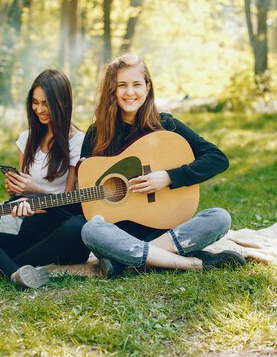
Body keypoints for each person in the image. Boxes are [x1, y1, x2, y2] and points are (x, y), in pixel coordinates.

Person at [79, 53, 245, 279]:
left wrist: (168, 177)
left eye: (137, 84)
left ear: (147, 87)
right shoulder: (96, 134)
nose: (130, 92)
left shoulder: (165, 124)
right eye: (122, 85)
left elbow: (217, 158)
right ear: (112, 90)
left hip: (167, 229)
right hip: (120, 234)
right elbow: (86, 190)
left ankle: (133, 259)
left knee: (220, 217)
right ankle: (190, 263)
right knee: (90, 230)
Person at [0, 69, 90, 289]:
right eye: (35, 103)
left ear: (62, 103)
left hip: (62, 233)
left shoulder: (79, 142)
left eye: (46, 103)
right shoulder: (26, 140)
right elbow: (22, 194)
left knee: (78, 226)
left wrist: (36, 190)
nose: (39, 109)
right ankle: (15, 274)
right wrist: (15, 194)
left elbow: (73, 204)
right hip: (31, 230)